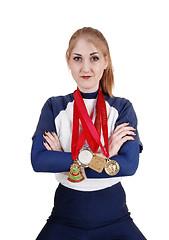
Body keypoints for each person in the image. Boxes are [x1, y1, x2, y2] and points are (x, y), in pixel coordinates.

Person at [31, 27, 146, 240]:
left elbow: (129, 166)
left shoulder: (122, 108)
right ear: (68, 62)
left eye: (94, 58)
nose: (85, 67)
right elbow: (39, 161)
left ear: (106, 61)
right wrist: (104, 157)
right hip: (65, 216)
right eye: (77, 58)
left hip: (114, 217)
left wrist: (64, 161)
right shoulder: (54, 106)